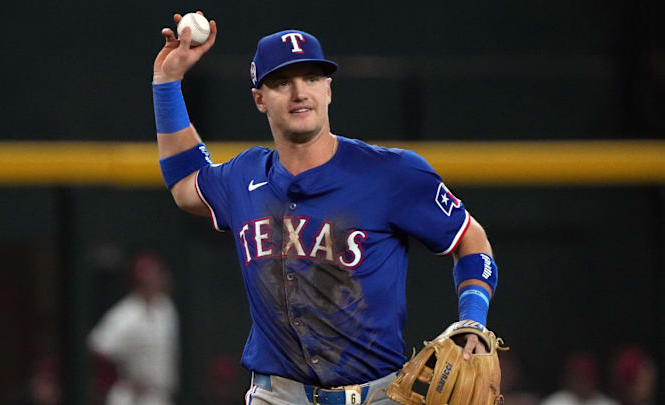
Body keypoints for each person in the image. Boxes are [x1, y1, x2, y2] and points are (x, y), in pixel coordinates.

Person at [152, 12, 499, 405]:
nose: (300, 92)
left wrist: (472, 317)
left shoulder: (390, 173)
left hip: (379, 396)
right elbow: (184, 183)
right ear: (259, 99)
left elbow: (470, 238)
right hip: (277, 395)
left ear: (329, 89)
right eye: (282, 82)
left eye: (312, 78)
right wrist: (167, 82)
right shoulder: (245, 175)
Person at [87, 252, 179, 405]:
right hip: (133, 396)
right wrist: (114, 379)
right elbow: (97, 345)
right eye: (150, 279)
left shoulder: (165, 307)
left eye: (157, 277)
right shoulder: (126, 313)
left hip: (161, 394)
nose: (156, 282)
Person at [540, 351, 619, 405]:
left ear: (595, 380)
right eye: (577, 378)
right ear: (569, 379)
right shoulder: (554, 402)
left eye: (586, 378)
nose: (582, 383)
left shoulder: (607, 403)